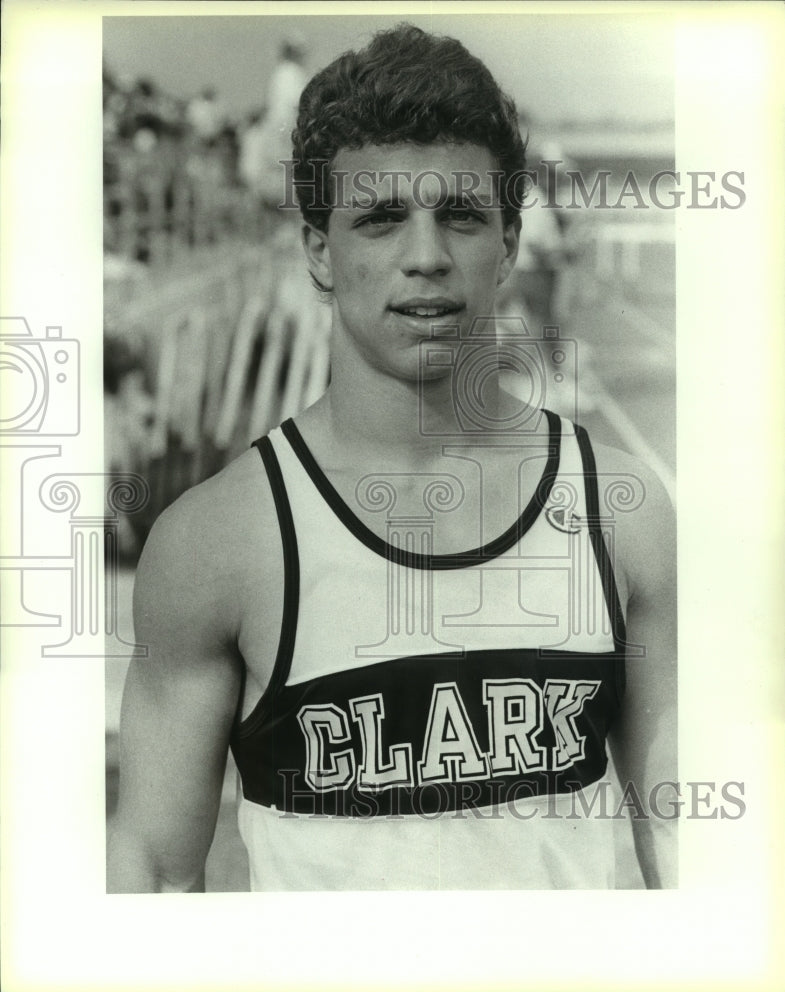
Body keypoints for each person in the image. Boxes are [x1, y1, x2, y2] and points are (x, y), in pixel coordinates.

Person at [109, 24, 676, 892]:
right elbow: (149, 873)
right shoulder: (217, 542)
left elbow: (686, 853)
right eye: (379, 219)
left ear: (510, 244)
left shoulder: (621, 512)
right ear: (316, 250)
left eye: (460, 215)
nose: (425, 257)